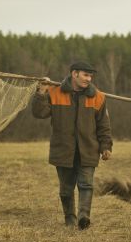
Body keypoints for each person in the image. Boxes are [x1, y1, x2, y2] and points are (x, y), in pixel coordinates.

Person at [31, 61, 112, 230]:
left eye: (90, 76)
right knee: (66, 189)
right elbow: (39, 113)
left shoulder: (98, 97)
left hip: (88, 149)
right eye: (85, 75)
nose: (89, 79)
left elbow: (103, 125)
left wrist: (106, 146)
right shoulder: (55, 92)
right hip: (63, 149)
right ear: (74, 74)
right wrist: (41, 92)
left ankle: (84, 218)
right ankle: (70, 219)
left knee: (86, 184)